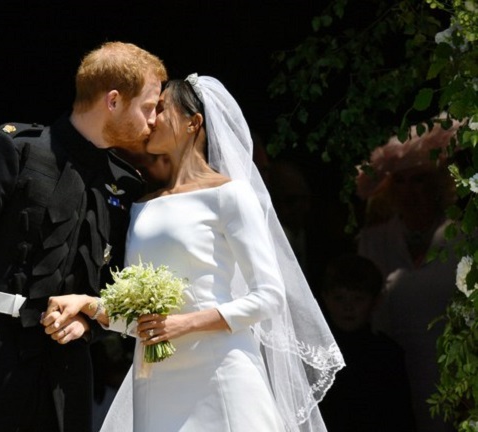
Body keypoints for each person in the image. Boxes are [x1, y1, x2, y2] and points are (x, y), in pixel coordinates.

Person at [42, 74, 344, 431]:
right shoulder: (141, 204)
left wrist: (184, 324)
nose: (150, 120)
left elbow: (269, 297)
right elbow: (144, 320)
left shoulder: (229, 195)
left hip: (221, 372)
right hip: (154, 380)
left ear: (193, 122)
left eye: (160, 110)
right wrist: (89, 304)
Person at [0, 41, 167, 432]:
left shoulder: (123, 185)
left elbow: (114, 285)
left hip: (65, 376)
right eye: (148, 107)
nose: (153, 121)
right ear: (113, 101)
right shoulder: (11, 149)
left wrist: (90, 324)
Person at [355, 119, 460, 432]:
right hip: (394, 372)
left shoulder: (463, 235)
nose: (409, 191)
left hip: (455, 369)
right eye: (400, 181)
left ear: (437, 184)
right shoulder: (373, 240)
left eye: (419, 180)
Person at [317, 253, 416, 432]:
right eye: (339, 298)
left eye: (358, 298)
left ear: (376, 301)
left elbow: (401, 419)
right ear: (325, 298)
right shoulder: (315, 354)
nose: (348, 307)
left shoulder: (388, 355)